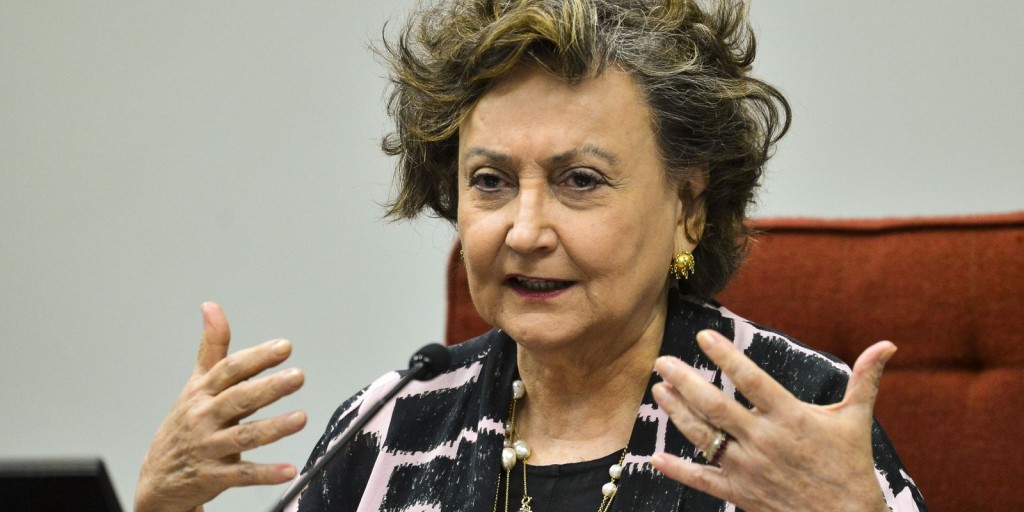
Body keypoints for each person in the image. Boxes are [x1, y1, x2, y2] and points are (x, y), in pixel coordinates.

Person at [135, 1, 927, 511]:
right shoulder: (392, 425)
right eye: (491, 182)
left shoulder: (796, 417)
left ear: (688, 207)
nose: (524, 231)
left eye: (580, 180)